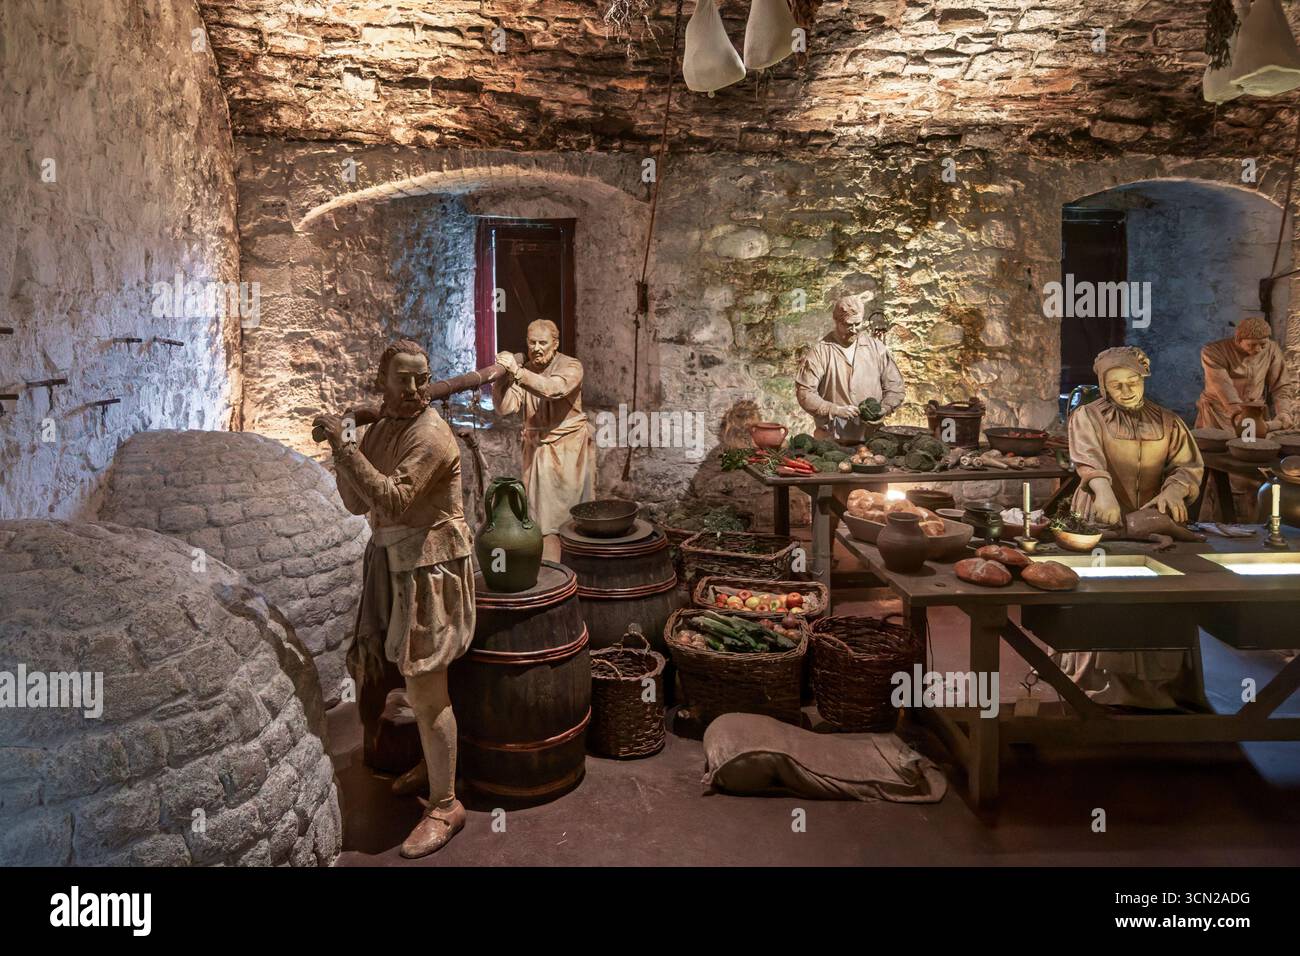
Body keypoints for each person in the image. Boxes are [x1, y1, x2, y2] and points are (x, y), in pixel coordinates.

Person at [313, 340, 475, 859]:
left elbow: (397, 498)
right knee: (408, 678)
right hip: (391, 562)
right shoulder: (384, 428)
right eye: (403, 379)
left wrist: (342, 447)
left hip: (430, 567)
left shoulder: (430, 434)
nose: (414, 390)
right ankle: (432, 766)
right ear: (382, 380)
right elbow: (354, 499)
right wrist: (350, 447)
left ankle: (447, 805)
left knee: (427, 691)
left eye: (422, 379)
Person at [1059, 345, 1206, 710]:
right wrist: (1104, 491)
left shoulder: (1169, 421)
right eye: (1116, 384)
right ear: (1104, 387)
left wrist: (1174, 490)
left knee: (1160, 594)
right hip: (1101, 516)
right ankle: (1099, 686)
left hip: (1151, 521)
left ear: (1142, 379)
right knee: (1105, 596)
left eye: (1132, 381)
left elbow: (1187, 466)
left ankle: (1160, 689)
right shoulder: (1087, 417)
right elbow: (1087, 458)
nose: (1126, 390)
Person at [492, 319, 596, 557]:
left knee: (570, 519)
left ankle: (570, 571)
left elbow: (553, 389)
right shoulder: (526, 370)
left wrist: (518, 373)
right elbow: (506, 408)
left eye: (543, 343)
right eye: (532, 342)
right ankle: (551, 573)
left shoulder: (572, 366)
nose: (537, 348)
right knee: (540, 519)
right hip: (538, 452)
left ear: (555, 344)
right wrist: (501, 379)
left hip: (569, 451)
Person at [1195, 317, 1297, 520]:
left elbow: (1281, 385)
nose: (1258, 349)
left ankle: (1249, 524)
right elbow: (1222, 386)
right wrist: (1239, 415)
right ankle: (1213, 524)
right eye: (1251, 344)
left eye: (1262, 344)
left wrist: (1284, 412)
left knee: (1250, 475)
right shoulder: (1213, 351)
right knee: (1214, 474)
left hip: (1254, 416)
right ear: (1238, 339)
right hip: (1218, 415)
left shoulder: (1271, 350)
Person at [794, 295, 905, 444]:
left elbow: (895, 388)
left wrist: (884, 408)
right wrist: (834, 410)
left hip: (873, 439)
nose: (854, 330)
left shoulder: (877, 348)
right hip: (832, 439)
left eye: (858, 324)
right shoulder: (821, 352)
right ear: (837, 322)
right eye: (848, 325)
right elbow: (805, 393)